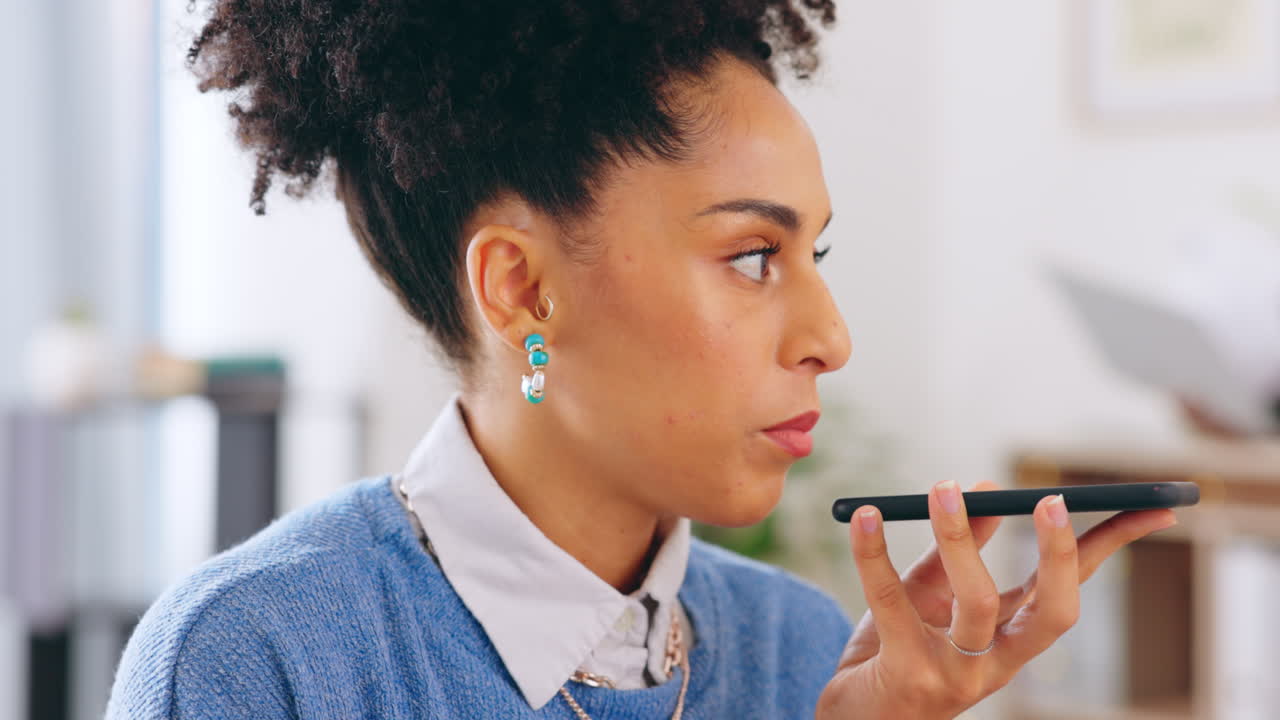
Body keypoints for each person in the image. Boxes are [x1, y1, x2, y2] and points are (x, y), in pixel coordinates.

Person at [106, 2, 1178, 718]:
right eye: (753, 256)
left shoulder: (799, 650)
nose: (831, 337)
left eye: (815, 251)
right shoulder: (255, 661)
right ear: (522, 291)